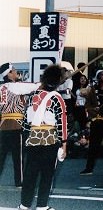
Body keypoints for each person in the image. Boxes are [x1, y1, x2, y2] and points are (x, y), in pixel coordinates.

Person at [18, 64, 67, 210]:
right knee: (47, 173)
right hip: (50, 138)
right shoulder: (57, 98)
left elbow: (26, 120)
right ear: (58, 80)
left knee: (30, 174)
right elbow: (62, 123)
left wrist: (26, 137)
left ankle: (24, 205)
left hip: (32, 138)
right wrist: (64, 143)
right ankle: (42, 206)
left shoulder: (33, 95)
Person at [0, 62, 39, 187]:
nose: (17, 72)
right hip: (16, 125)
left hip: (2, 125)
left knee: (1, 156)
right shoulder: (15, 86)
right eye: (15, 70)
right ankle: (19, 182)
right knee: (19, 156)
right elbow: (36, 86)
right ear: (9, 74)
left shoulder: (1, 88)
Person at [80, 69, 103, 175]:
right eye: (101, 75)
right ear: (98, 78)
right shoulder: (93, 90)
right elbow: (87, 106)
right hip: (97, 121)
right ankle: (89, 168)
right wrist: (94, 110)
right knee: (93, 146)